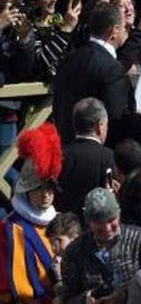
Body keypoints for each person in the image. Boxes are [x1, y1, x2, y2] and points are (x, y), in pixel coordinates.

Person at [52, 2, 140, 146]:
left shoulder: (70, 58)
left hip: (66, 149)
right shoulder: (113, 69)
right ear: (114, 31)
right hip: (99, 155)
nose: (126, 32)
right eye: (124, 28)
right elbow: (116, 119)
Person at [59, 188, 141, 301]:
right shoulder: (74, 252)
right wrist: (84, 300)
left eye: (111, 220)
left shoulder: (140, 240)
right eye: (99, 223)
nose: (107, 228)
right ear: (88, 222)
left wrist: (126, 295)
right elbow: (67, 296)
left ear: (119, 214)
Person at [0, 123, 62, 303]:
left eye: (50, 188)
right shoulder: (8, 229)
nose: (46, 194)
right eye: (39, 188)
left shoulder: (60, 221)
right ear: (26, 190)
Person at [56, 98, 116, 217]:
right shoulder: (109, 156)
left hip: (64, 225)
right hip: (96, 226)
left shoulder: (61, 155)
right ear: (100, 126)